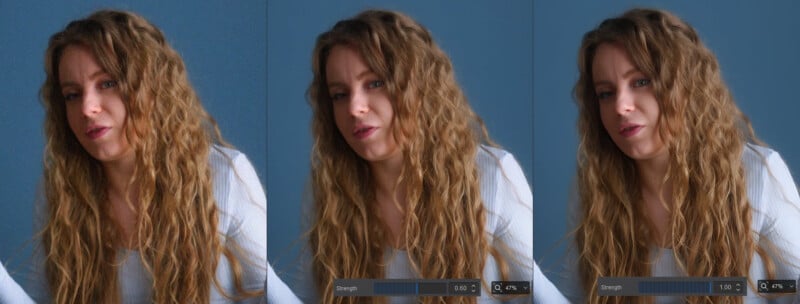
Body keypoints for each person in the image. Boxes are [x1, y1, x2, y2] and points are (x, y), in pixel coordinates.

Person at [295, 9, 547, 304]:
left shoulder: (492, 177)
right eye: (340, 94)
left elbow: (529, 289)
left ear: (419, 87)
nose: (354, 108)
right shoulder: (330, 189)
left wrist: (489, 289)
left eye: (374, 83)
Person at [27, 9, 276, 303]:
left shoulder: (225, 177)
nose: (87, 108)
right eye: (72, 94)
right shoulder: (61, 188)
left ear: (152, 87)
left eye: (107, 83)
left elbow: (276, 293)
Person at [564, 8, 800, 303]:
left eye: (640, 82)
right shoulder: (595, 187)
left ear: (685, 85)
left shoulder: (758, 175)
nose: (621, 106)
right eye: (606, 93)